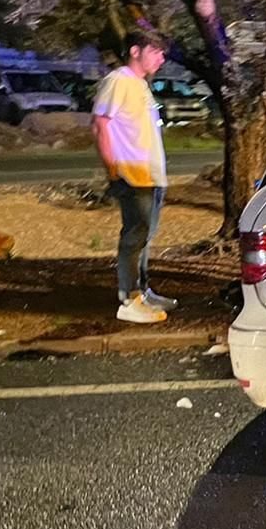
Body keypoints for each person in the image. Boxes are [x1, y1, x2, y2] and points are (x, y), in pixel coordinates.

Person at [93, 29, 173, 324]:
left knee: (144, 238)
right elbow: (100, 125)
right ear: (136, 51)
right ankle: (129, 299)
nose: (161, 58)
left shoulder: (140, 85)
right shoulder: (118, 81)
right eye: (156, 52)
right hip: (133, 175)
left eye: (163, 53)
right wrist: (114, 170)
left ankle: (142, 292)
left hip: (151, 176)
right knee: (134, 237)